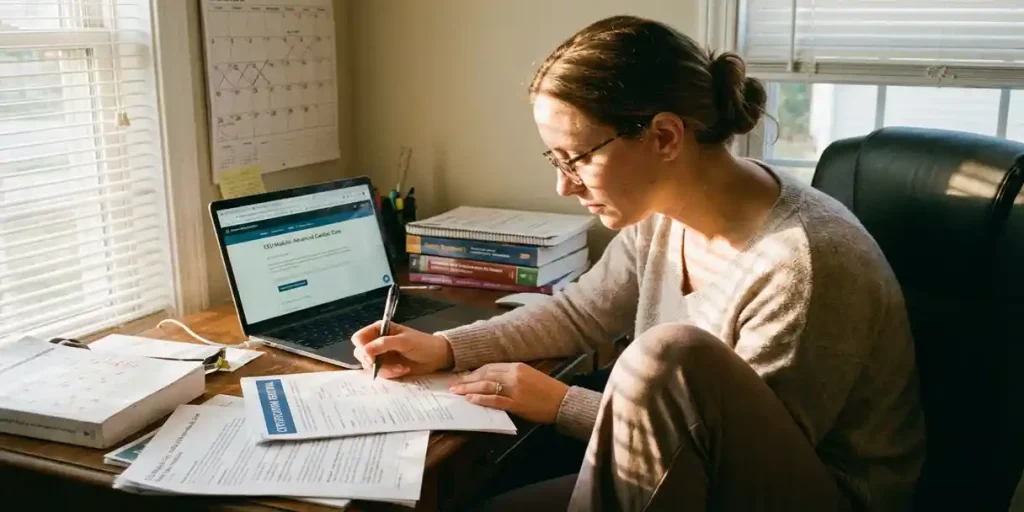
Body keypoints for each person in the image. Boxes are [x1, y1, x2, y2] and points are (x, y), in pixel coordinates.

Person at [351, 14, 925, 512]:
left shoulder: (804, 262)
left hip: (805, 498)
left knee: (669, 354)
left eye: (577, 158)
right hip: (688, 468)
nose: (562, 184)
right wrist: (447, 347)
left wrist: (559, 403)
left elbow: (730, 455)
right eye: (554, 158)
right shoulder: (659, 213)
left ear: (666, 136)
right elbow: (580, 316)